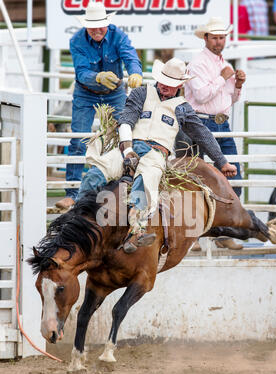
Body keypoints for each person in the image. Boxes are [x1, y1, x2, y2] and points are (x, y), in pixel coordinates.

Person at [77, 57, 237, 254]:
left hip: (156, 154)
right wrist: (127, 150)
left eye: (170, 84)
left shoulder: (182, 108)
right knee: (96, 173)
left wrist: (222, 162)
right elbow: (126, 120)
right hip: (130, 146)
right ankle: (76, 220)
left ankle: (136, 231)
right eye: (163, 81)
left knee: (145, 181)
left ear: (179, 85)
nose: (164, 87)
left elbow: (202, 134)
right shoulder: (141, 93)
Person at [55, 2, 143, 210]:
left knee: (124, 137)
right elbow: (82, 72)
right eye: (92, 26)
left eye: (100, 26)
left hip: (114, 93)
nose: (97, 30)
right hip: (86, 92)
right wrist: (98, 77)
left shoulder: (118, 36)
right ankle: (72, 193)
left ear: (107, 24)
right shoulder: (77, 41)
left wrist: (135, 72)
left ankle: (120, 187)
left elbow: (130, 56)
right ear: (86, 25)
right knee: (79, 139)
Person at [183, 16, 246, 250]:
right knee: (197, 178)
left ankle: (219, 232)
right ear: (207, 38)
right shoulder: (199, 63)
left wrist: (237, 84)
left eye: (222, 37)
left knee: (232, 177)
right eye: (215, 37)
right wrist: (225, 77)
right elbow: (201, 96)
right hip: (200, 123)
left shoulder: (221, 63)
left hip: (218, 122)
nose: (219, 41)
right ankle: (196, 236)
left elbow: (230, 98)